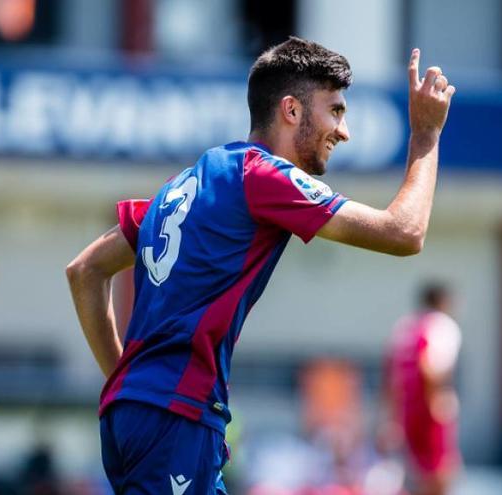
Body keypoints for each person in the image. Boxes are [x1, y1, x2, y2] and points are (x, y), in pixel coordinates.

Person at [66, 37, 456, 494]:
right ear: (291, 110)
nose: (343, 131)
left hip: (145, 413)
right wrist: (425, 134)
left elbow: (86, 270)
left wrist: (125, 382)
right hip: (176, 415)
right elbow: (404, 232)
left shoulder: (191, 181)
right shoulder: (264, 174)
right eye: (335, 111)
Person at [382, 283, 462, 495]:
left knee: (415, 472)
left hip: (407, 411)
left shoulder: (404, 327)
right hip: (429, 409)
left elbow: (390, 372)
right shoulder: (441, 325)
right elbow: (430, 365)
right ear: (443, 302)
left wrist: (390, 416)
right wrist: (437, 399)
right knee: (441, 470)